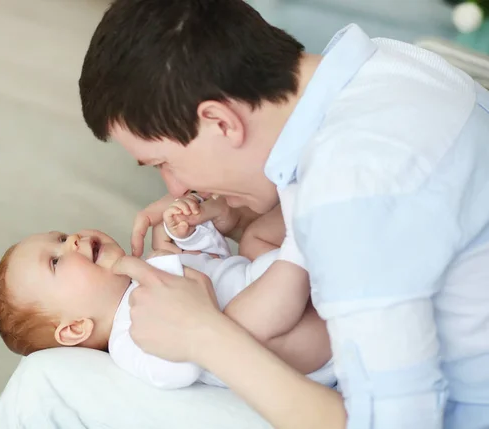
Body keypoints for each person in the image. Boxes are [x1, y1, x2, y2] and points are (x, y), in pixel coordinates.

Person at [76, 0, 489, 428]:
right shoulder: (396, 63)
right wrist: (243, 221)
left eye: (164, 162)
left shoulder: (345, 193)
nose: (175, 188)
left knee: (52, 380)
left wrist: (205, 335)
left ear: (219, 121)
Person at [0, 194, 335, 390]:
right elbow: (178, 370)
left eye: (62, 237)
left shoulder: (153, 263)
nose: (72, 241)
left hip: (265, 277)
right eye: (55, 261)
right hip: (305, 339)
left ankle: (312, 203)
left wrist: (189, 234)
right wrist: (188, 311)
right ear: (76, 328)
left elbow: (218, 262)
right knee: (238, 323)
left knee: (254, 236)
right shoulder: (129, 338)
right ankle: (300, 239)